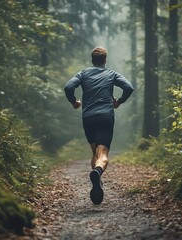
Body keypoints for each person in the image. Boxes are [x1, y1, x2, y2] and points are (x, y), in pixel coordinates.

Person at [64, 47, 134, 205]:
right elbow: (128, 88)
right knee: (102, 154)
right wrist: (119, 102)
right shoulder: (111, 74)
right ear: (105, 60)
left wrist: (74, 102)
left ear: (92, 60)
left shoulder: (83, 73)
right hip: (105, 116)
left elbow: (68, 87)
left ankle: (97, 183)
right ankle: (97, 172)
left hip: (88, 117)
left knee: (95, 152)